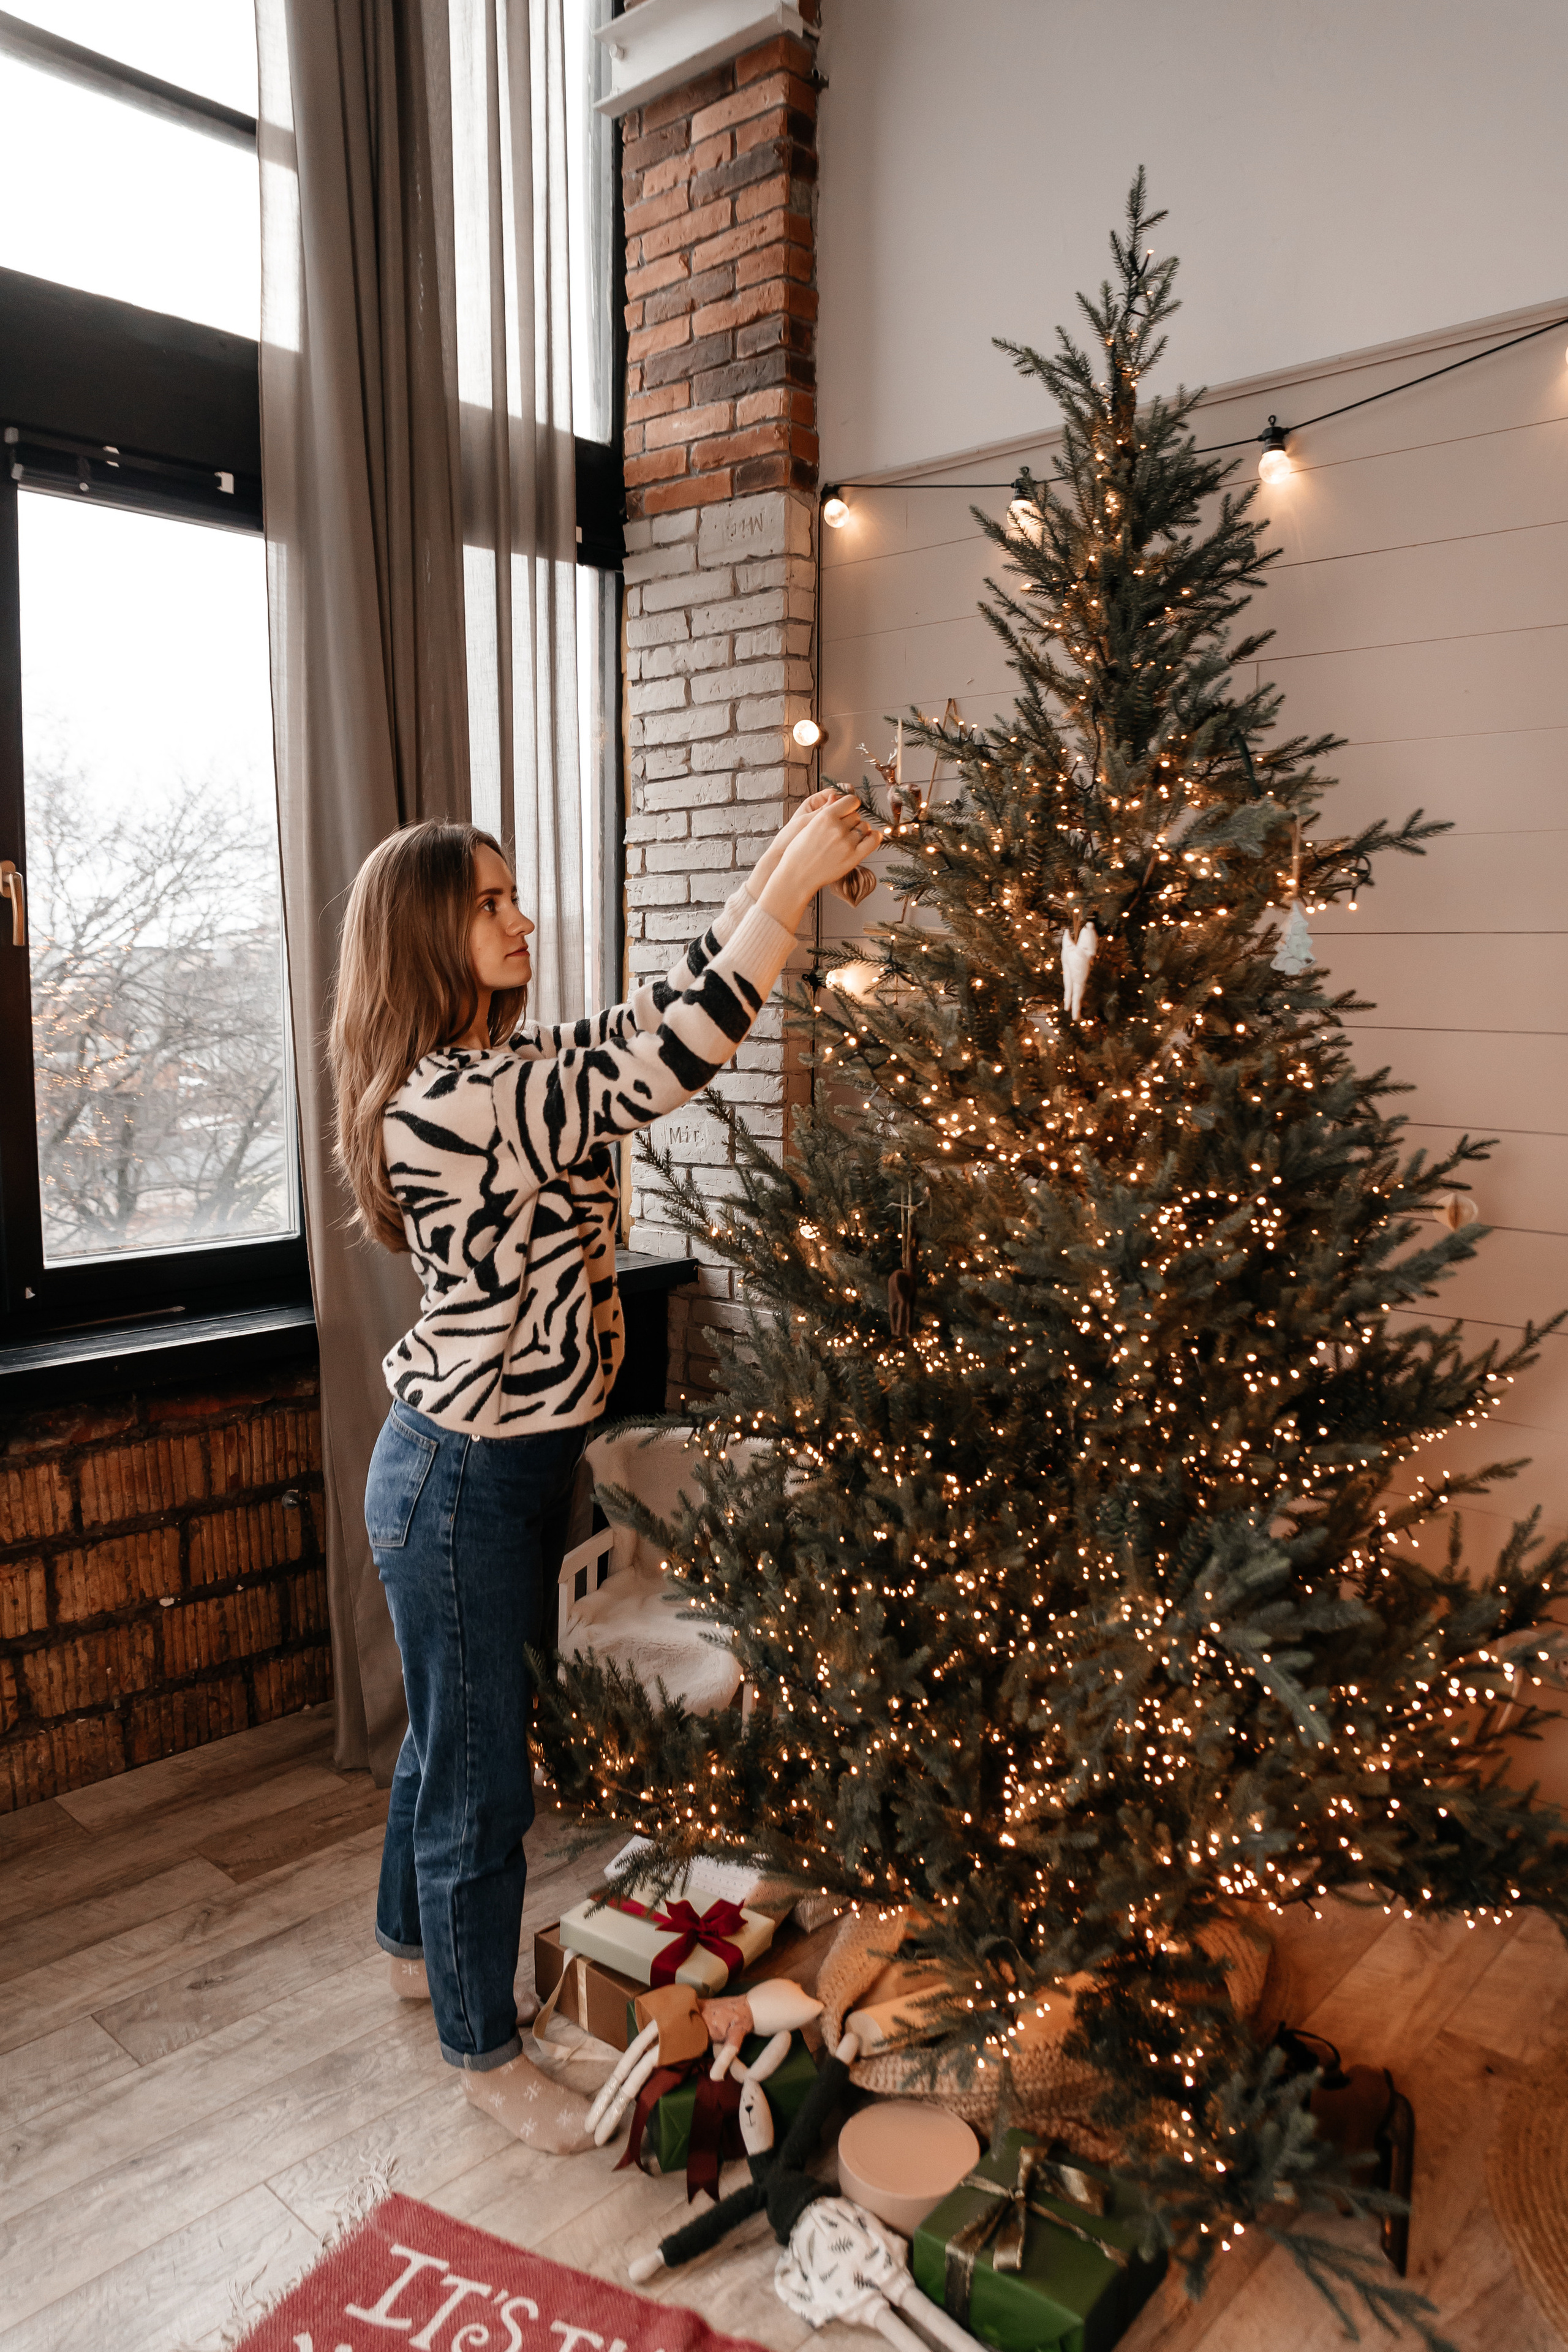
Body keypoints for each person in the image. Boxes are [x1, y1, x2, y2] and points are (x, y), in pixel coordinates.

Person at [327, 790, 882, 2149]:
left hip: (477, 1472)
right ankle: (481, 2049)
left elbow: (636, 1031)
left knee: (449, 1745)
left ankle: (414, 1948)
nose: (523, 920)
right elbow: (666, 1063)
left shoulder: (490, 1073)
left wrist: (759, 879)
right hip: (461, 1478)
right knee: (479, 1780)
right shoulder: (460, 1099)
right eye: (490, 905)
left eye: (517, 897)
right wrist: (785, 893)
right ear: (423, 937)